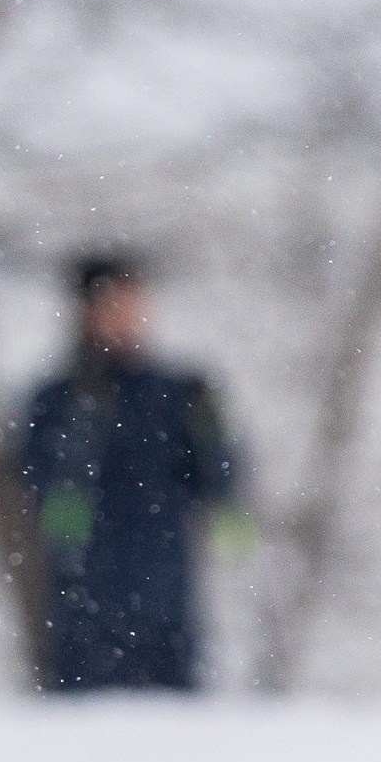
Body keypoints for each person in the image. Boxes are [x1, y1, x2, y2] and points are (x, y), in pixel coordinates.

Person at [16, 254, 240, 691]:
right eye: (113, 305)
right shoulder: (57, 399)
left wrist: (213, 438)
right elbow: (41, 492)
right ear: (86, 313)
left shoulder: (179, 393)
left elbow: (221, 487)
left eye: (134, 304)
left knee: (175, 733)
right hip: (84, 610)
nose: (127, 318)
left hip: (168, 604)